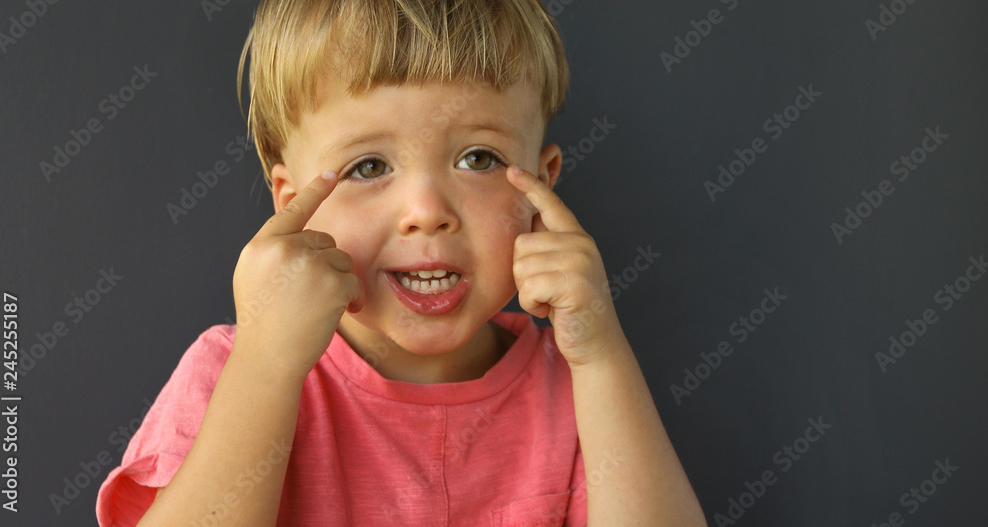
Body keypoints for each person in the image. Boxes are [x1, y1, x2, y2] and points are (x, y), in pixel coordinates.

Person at [96, 1, 706, 525]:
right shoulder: (235, 370)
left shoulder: (581, 386)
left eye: (479, 158)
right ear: (294, 209)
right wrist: (267, 364)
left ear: (542, 186)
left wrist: (602, 354)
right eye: (369, 167)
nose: (426, 211)